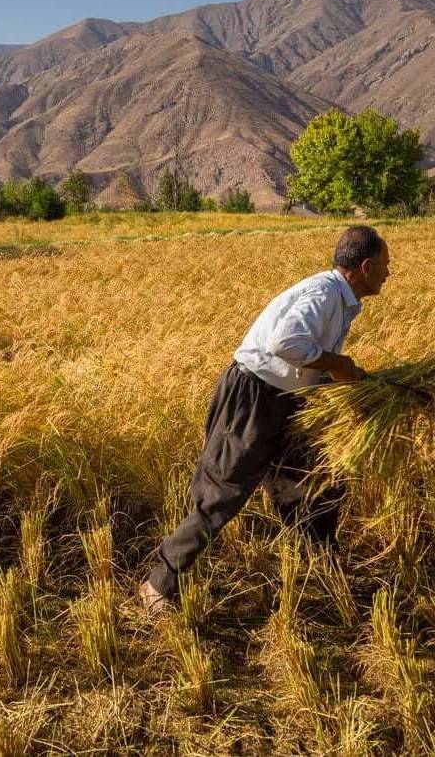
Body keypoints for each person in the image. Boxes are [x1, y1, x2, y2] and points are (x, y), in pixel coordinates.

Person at [139, 225, 391, 613]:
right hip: (254, 398)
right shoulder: (324, 294)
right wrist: (338, 365)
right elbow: (284, 343)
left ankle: (325, 575)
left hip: (289, 400)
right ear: (366, 266)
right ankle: (159, 584)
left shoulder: (341, 299)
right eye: (386, 266)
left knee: (316, 485)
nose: (389, 274)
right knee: (222, 493)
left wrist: (342, 378)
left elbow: (303, 355)